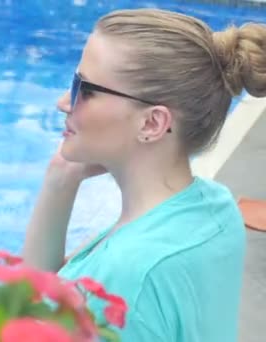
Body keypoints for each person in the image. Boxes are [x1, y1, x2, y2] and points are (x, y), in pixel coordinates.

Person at [22, 8, 266, 342]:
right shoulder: (213, 207)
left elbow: (24, 321)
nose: (64, 101)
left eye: (85, 89)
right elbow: (46, 297)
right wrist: (61, 176)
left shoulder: (128, 279)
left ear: (152, 123)